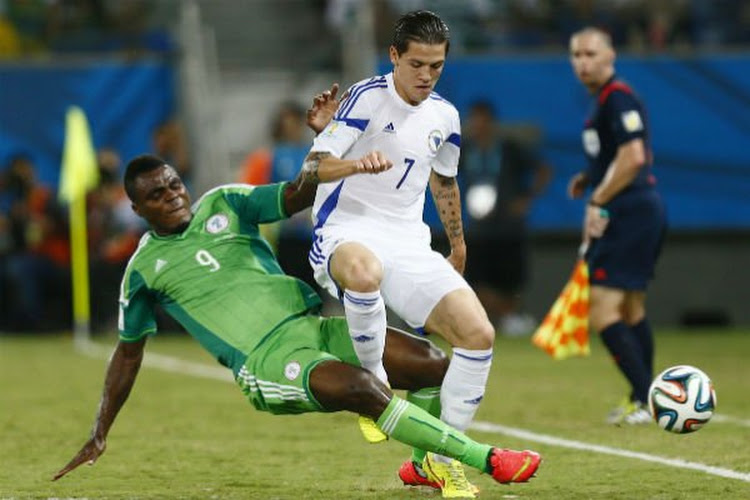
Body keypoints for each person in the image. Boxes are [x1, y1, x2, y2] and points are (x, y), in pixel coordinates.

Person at [52, 153, 541, 491]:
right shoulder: (142, 271)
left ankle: (421, 468)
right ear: (137, 210)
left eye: (175, 184)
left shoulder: (225, 203)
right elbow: (128, 352)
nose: (173, 196)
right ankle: (486, 460)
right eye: (157, 195)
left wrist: (319, 147)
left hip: (313, 325)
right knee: (365, 391)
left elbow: (295, 195)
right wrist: (100, 430)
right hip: (266, 362)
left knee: (433, 364)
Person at [304, 10, 496, 497]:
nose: (426, 76)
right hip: (345, 230)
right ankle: (375, 386)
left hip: (409, 240)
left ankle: (439, 459)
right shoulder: (367, 97)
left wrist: (457, 242)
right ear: (393, 56)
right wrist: (354, 163)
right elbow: (314, 166)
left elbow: (444, 179)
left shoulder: (446, 117)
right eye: (416, 64)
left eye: (436, 66)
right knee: (364, 275)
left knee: (477, 334)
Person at [567, 27, 667, 425]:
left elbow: (633, 157)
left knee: (602, 311)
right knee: (629, 308)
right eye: (576, 55)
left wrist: (598, 197)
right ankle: (645, 396)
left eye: (591, 53)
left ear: (611, 56)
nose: (583, 62)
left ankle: (648, 398)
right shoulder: (602, 102)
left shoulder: (618, 97)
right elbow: (615, 157)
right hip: (637, 209)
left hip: (631, 212)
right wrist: (587, 176)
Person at [460, 100, 551, 337]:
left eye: (482, 120)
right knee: (474, 282)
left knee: (510, 284)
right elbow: (443, 176)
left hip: (508, 228)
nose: (478, 125)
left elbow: (543, 170)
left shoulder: (508, 148)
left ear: (491, 122)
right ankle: (512, 318)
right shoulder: (466, 150)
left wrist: (526, 199)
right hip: (479, 228)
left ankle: (511, 319)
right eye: (474, 120)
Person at [237, 101, 317, 289]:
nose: (292, 128)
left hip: (311, 234)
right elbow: (249, 194)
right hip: (282, 236)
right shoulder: (266, 158)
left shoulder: (313, 153)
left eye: (296, 122)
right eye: (286, 122)